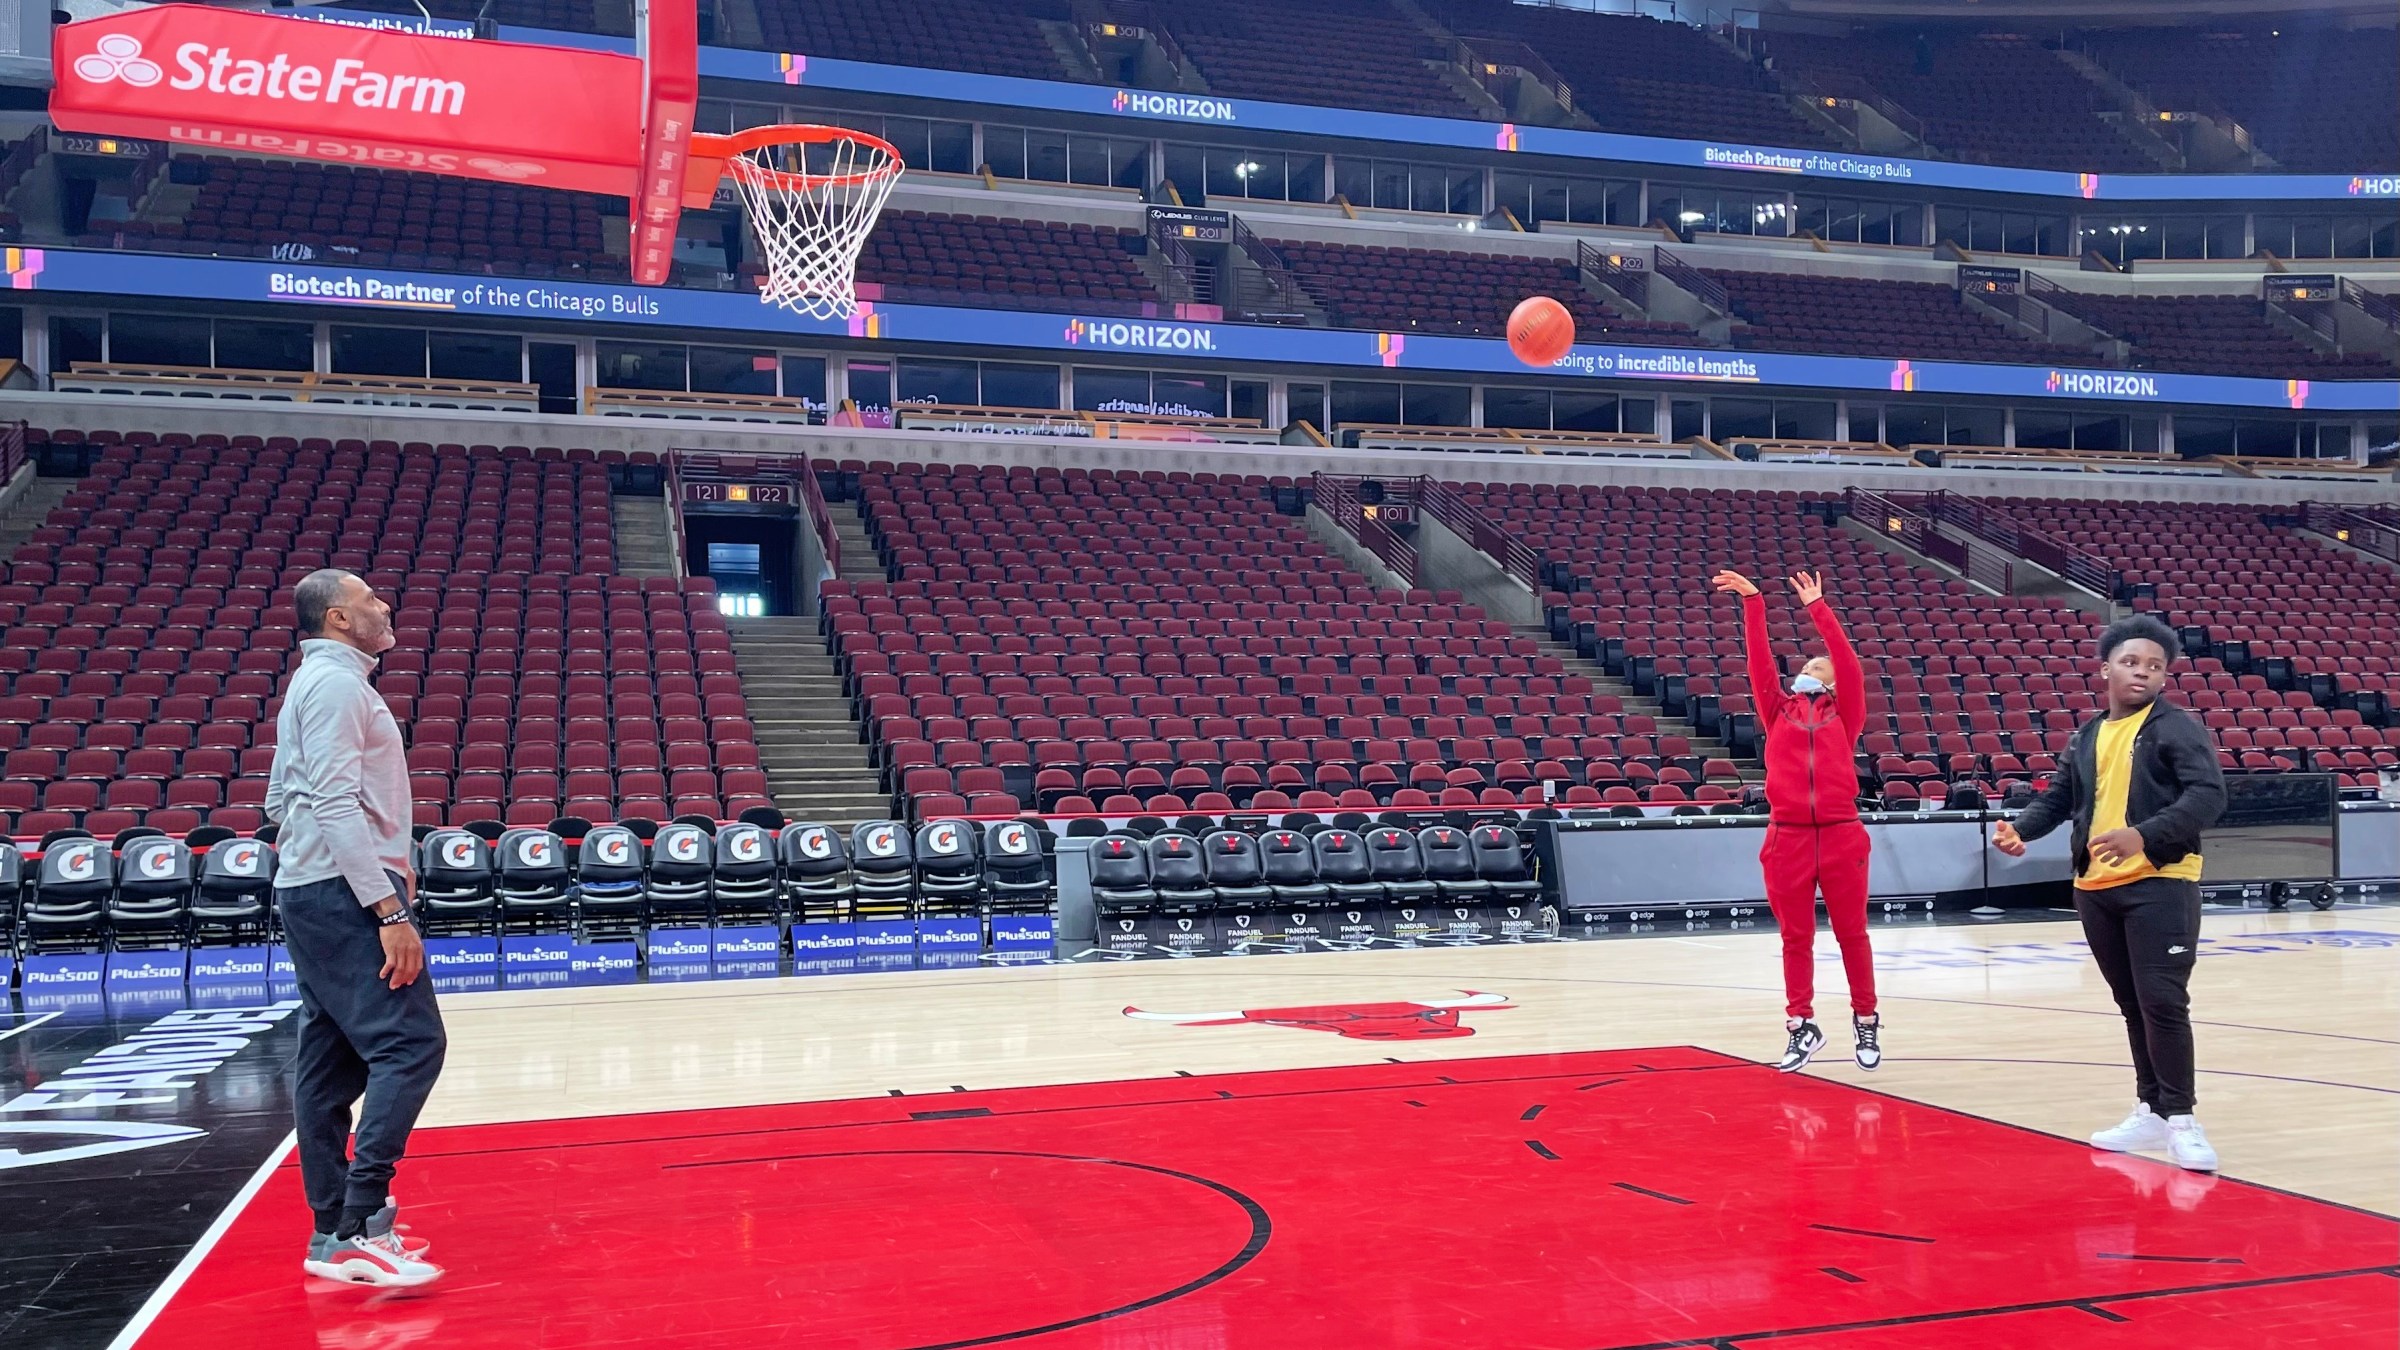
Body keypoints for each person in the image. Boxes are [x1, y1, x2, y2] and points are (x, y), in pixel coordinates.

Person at [1991, 614, 2226, 1172]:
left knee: (2163, 1001)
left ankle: (2183, 1119)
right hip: (2095, 888)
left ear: (2165, 677)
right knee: (2131, 1006)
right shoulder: (2090, 734)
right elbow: (2059, 798)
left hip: (2160, 882)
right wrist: (2020, 830)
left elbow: (2209, 796)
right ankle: (2151, 1109)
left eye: (2154, 666)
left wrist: (2143, 834)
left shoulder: (2177, 727)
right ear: (2105, 670)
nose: (2142, 672)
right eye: (2130, 662)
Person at [266, 568, 447, 1286]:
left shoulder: (310, 686)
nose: (384, 605)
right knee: (412, 1044)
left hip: (314, 891)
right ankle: (359, 1220)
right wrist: (388, 908)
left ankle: (331, 1229)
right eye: (370, 599)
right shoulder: (339, 687)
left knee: (331, 1064)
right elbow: (333, 805)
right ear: (338, 619)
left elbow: (283, 799)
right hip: (346, 895)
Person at [1712, 568, 1879, 1073]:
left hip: (1840, 832)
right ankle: (1800, 1024)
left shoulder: (1845, 712)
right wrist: (1755, 601)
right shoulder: (1777, 709)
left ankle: (1866, 1018)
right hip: (1786, 837)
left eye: (1819, 664)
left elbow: (1847, 662)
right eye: (1809, 662)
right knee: (1795, 938)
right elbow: (1758, 662)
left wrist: (1818, 608)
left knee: (1853, 933)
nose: (1814, 665)